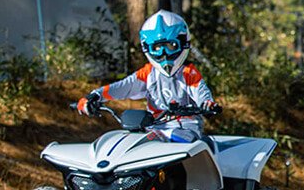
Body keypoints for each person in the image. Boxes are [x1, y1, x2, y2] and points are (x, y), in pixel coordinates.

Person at [77, 10, 218, 143]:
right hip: (154, 129)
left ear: (183, 43)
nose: (164, 53)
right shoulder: (148, 73)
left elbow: (201, 92)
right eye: (157, 48)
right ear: (147, 48)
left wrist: (207, 104)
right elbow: (123, 86)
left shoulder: (188, 73)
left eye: (171, 45)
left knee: (182, 139)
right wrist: (95, 96)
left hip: (186, 129)